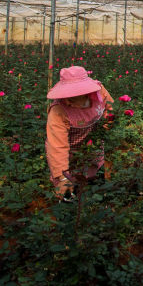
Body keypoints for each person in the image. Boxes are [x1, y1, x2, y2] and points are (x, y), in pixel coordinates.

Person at [45, 66, 114, 201]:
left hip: (93, 149)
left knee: (96, 187)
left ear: (86, 93)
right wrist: (63, 176)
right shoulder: (58, 111)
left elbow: (109, 108)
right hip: (69, 156)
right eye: (65, 96)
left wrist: (107, 123)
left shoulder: (99, 93)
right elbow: (57, 146)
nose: (67, 101)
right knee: (69, 194)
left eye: (72, 96)